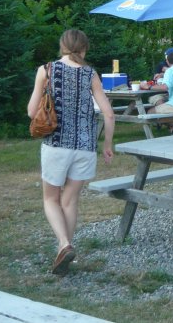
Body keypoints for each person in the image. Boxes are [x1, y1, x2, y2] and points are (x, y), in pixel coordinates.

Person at [27, 29, 115, 275]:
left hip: (56, 145)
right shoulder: (91, 74)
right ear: (84, 48)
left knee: (50, 199)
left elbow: (32, 112)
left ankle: (64, 244)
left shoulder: (46, 70)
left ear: (62, 46)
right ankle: (63, 251)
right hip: (85, 148)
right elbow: (108, 113)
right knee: (70, 200)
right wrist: (107, 145)